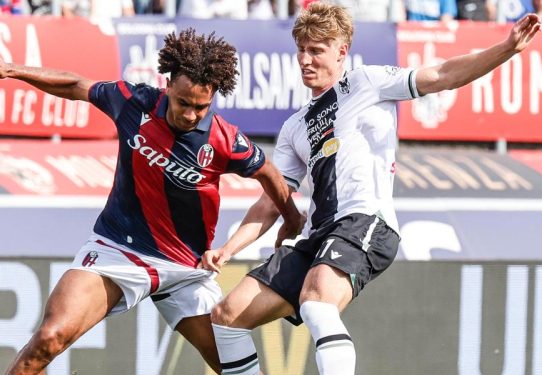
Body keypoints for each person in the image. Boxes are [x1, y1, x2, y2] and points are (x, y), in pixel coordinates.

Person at [204, 3, 540, 375]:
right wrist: (228, 248)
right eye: (301, 50)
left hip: (364, 221)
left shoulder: (368, 82)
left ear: (341, 50)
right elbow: (271, 201)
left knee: (317, 302)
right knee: (226, 317)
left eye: (316, 50)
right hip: (319, 235)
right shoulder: (294, 128)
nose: (305, 60)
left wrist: (505, 48)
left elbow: (442, 74)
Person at [0, 28, 305, 375]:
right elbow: (75, 85)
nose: (191, 114)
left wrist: (292, 220)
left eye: (201, 107)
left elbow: (270, 175)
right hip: (118, 250)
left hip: (186, 270)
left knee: (240, 371)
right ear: (167, 86)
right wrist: (13, 70)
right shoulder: (133, 102)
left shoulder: (225, 140)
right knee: (49, 339)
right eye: (184, 103)